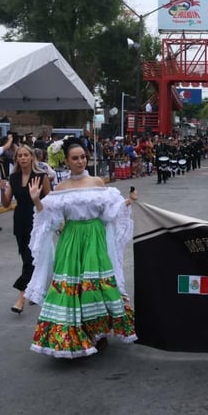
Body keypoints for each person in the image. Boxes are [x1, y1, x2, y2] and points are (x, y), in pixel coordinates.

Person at [24, 139, 139, 357]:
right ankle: (73, 335)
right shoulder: (61, 188)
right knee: (71, 287)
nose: (80, 161)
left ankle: (99, 332)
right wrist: (37, 200)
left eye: (83, 157)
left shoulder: (97, 182)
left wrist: (127, 201)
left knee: (96, 286)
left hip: (95, 238)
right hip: (71, 241)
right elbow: (51, 218)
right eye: (75, 158)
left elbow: (108, 213)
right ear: (66, 161)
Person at [0, 145, 51, 314]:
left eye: (25, 155)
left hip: (37, 220)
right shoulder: (14, 178)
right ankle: (36, 290)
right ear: (16, 159)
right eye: (19, 156)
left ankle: (21, 297)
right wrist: (2, 189)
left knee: (31, 259)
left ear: (31, 157)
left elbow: (51, 202)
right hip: (20, 220)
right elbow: (6, 203)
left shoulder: (41, 176)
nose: (22, 158)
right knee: (26, 258)